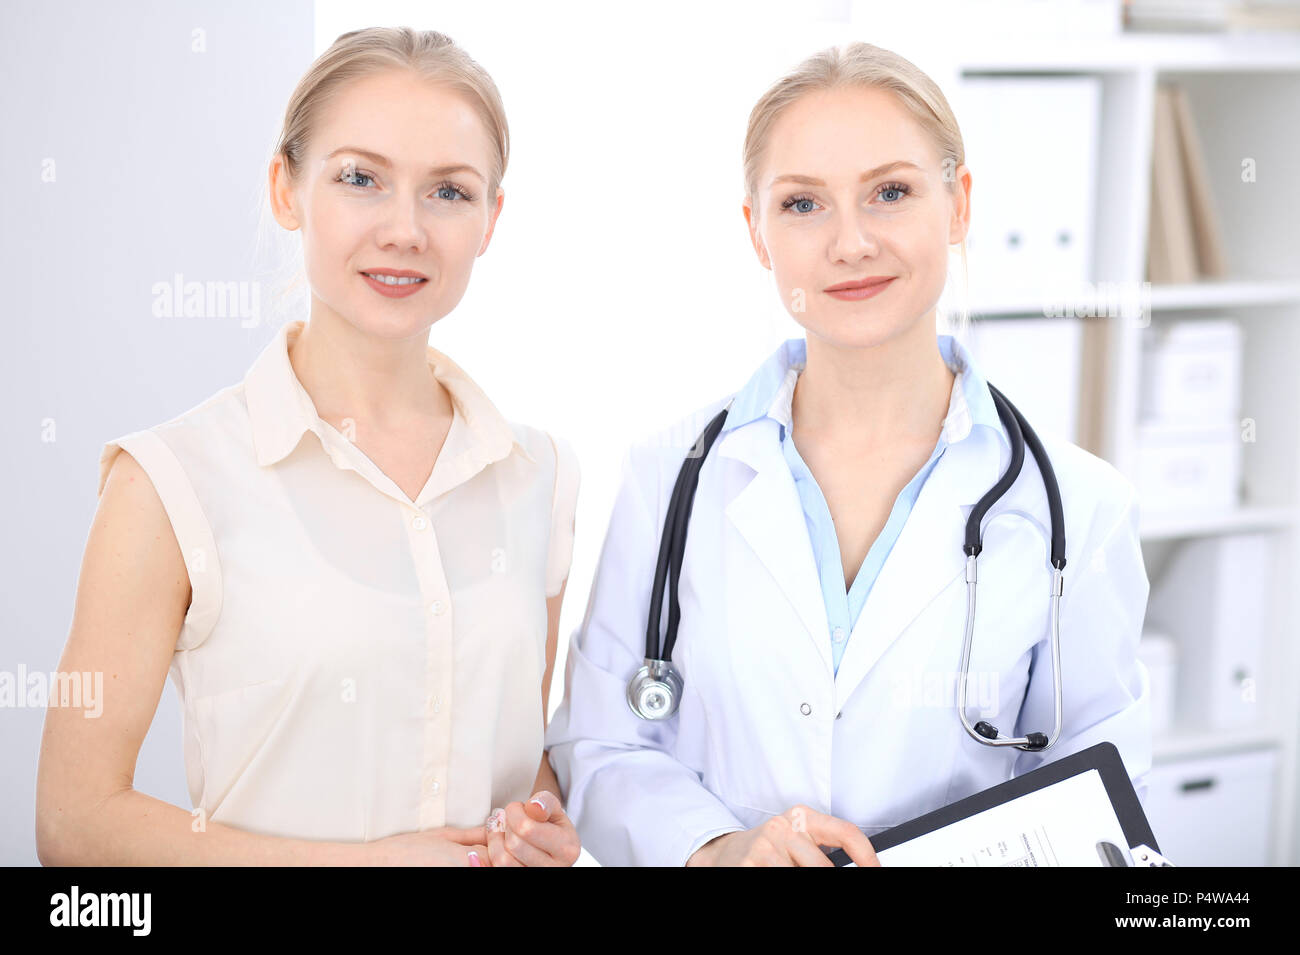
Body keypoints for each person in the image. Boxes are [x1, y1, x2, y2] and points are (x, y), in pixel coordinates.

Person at [544, 42, 1151, 867]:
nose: (852, 242)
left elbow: (1104, 797)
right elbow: (599, 745)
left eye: (891, 193)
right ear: (757, 233)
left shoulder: (1079, 508)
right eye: (802, 204)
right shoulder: (671, 475)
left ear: (959, 206)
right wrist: (719, 849)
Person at [36, 26, 581, 867]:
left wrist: (540, 822)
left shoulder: (537, 475)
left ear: (491, 219)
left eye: (450, 192)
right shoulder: (171, 482)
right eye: (360, 179)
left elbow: (514, 755)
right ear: (286, 189)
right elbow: (73, 825)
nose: (405, 229)